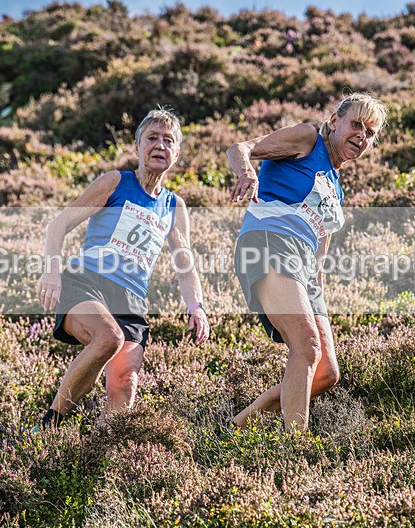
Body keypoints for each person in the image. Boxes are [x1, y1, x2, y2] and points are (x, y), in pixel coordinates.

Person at [34, 106, 210, 431]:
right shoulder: (116, 182)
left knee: (124, 383)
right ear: (137, 147)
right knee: (107, 338)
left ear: (177, 153)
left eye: (168, 140)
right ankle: (51, 422)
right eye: (152, 138)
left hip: (131, 301)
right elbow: (59, 224)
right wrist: (51, 271)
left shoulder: (174, 206)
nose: (160, 145)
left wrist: (196, 306)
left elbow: (184, 266)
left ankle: (100, 456)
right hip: (87, 283)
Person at [228, 92, 387, 431]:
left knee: (326, 372)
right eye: (356, 124)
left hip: (304, 267)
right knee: (307, 345)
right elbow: (240, 148)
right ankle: (295, 448)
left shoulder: (336, 185)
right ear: (335, 122)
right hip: (269, 242)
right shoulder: (307, 139)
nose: (361, 136)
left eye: (370, 133)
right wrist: (248, 174)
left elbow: (319, 253)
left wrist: (317, 294)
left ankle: (237, 427)